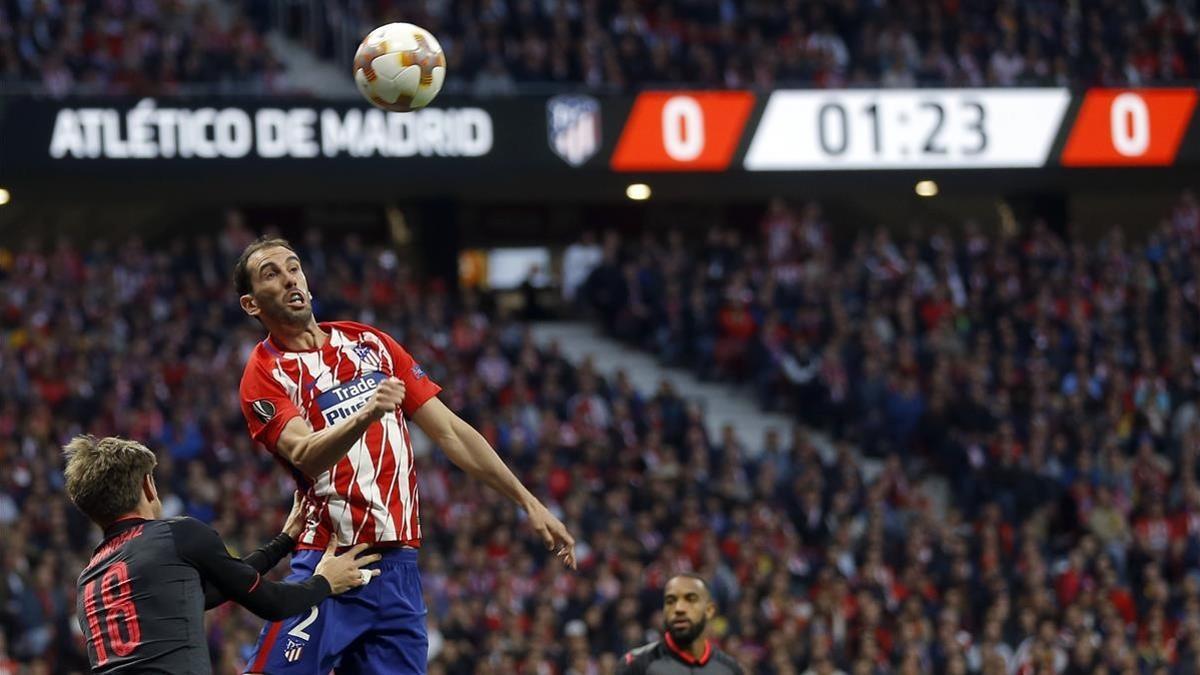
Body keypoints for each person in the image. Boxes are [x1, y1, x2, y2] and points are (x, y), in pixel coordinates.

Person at [232, 236, 577, 674]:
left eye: (293, 267)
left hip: (399, 571)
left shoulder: (369, 343)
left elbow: (451, 431)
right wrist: (368, 412)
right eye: (271, 274)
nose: (288, 279)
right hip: (331, 561)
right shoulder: (263, 373)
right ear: (251, 304)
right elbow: (305, 454)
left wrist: (528, 502)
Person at [65, 435, 378, 674]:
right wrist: (326, 581)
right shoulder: (176, 534)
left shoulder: (88, 581)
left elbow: (216, 589)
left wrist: (283, 542)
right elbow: (274, 603)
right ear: (148, 486)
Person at [618, 574, 745, 675]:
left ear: (709, 610)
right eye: (671, 601)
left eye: (690, 599)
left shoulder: (729, 669)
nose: (679, 608)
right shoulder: (636, 664)